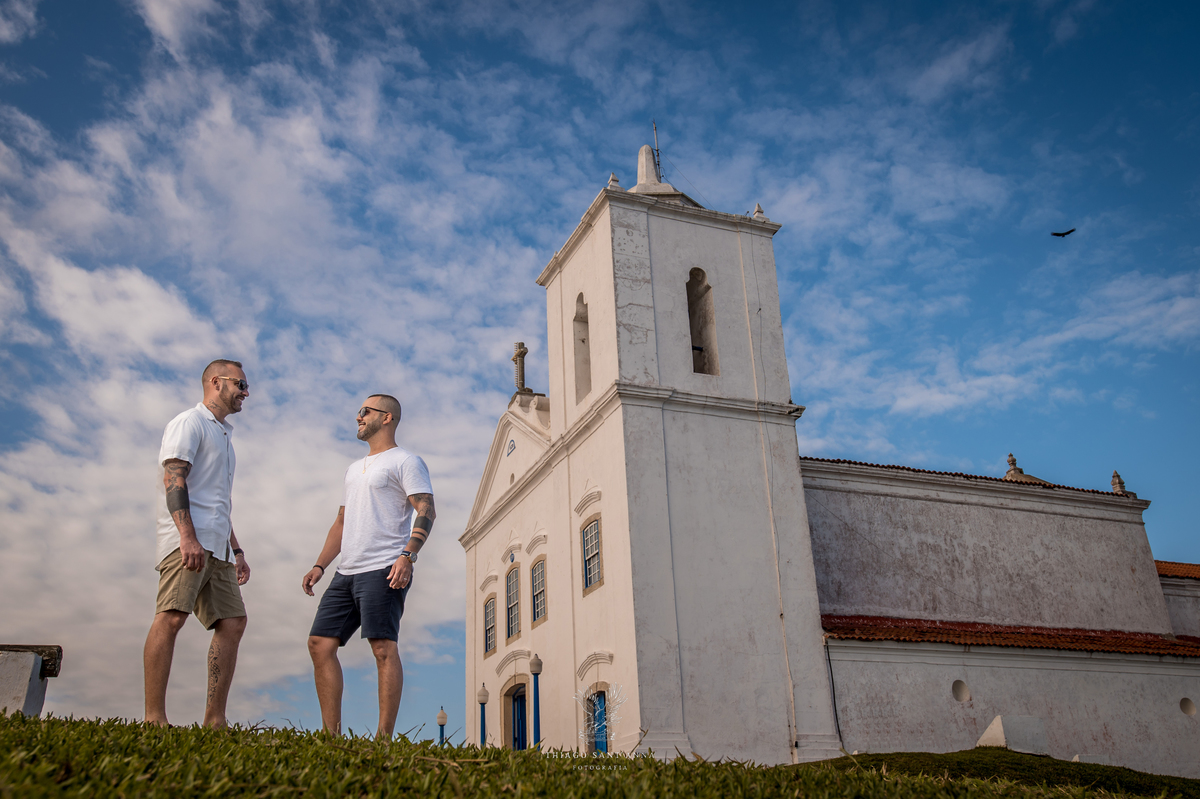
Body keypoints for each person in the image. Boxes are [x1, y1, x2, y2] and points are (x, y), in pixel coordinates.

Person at [302, 393, 435, 738]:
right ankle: (330, 736)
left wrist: (408, 555)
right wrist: (320, 565)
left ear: (386, 417)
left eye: (365, 411)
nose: (358, 417)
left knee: (382, 648)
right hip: (346, 571)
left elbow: (425, 509)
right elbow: (341, 522)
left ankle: (383, 739)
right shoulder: (353, 469)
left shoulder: (406, 461)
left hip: (384, 567)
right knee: (319, 644)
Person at [143, 359, 252, 728]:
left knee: (233, 622)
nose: (246, 392)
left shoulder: (224, 436)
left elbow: (218, 501)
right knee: (172, 616)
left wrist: (237, 551)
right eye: (240, 384)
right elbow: (173, 478)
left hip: (218, 548)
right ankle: (154, 717)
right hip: (188, 541)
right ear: (216, 382)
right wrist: (186, 536)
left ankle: (214, 720)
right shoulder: (189, 422)